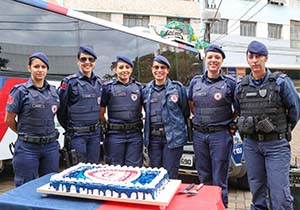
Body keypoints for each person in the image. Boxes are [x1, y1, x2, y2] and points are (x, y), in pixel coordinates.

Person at [235, 40, 300, 210]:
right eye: (251, 57)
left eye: (258, 56)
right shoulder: (241, 86)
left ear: (266, 58)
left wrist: (280, 130)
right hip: (251, 145)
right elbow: (239, 110)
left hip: (276, 145)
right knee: (257, 191)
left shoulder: (281, 82)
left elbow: (295, 111)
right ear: (247, 59)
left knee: (280, 194)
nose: (255, 60)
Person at [188, 44, 237, 208]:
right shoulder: (195, 82)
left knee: (219, 179)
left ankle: (221, 206)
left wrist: (227, 121)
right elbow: (191, 103)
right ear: (205, 59)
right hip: (199, 135)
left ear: (222, 60)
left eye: (217, 57)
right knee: (204, 177)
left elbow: (238, 109)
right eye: (210, 57)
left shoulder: (230, 83)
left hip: (220, 135)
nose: (213, 60)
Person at [5, 52, 60, 187]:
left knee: (50, 186)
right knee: (25, 187)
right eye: (36, 66)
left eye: (43, 67)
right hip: (27, 148)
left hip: (50, 147)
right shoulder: (20, 91)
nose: (40, 70)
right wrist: (24, 134)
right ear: (29, 68)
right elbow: (9, 119)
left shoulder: (54, 91)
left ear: (47, 69)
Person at [142, 55, 190, 179]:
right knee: (155, 175)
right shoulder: (146, 90)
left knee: (170, 175)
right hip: (153, 140)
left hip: (172, 140)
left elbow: (185, 112)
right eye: (156, 67)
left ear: (167, 70)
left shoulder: (177, 88)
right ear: (152, 69)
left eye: (162, 67)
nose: (159, 70)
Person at [57, 46, 102, 164]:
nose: (87, 62)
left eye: (90, 59)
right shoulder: (69, 82)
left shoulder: (99, 82)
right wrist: (71, 128)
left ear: (94, 62)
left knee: (93, 169)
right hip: (77, 135)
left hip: (95, 135)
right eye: (83, 59)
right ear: (78, 62)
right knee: (77, 170)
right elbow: (61, 110)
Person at [100, 56, 143, 167]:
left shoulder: (139, 88)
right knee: (115, 169)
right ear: (115, 70)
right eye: (121, 67)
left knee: (134, 169)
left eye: (127, 67)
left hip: (134, 135)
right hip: (115, 135)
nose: (124, 70)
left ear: (131, 69)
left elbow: (140, 108)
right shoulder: (108, 88)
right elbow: (101, 112)